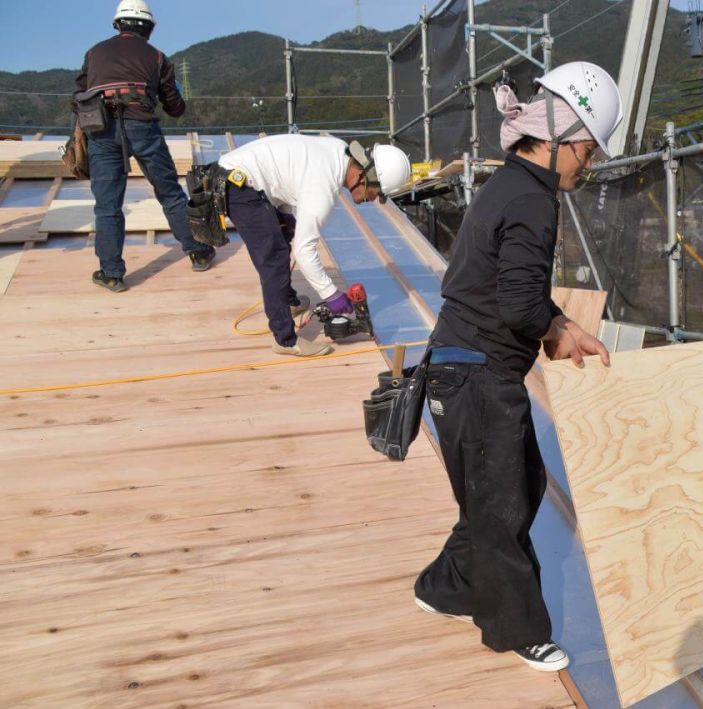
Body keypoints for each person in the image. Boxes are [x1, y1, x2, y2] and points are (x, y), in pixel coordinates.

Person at [414, 62, 623, 672]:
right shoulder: (534, 200)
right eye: (587, 153)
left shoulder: (510, 184)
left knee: (515, 486)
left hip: (464, 368)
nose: (586, 166)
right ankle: (518, 629)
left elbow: (512, 291)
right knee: (502, 508)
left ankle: (443, 588)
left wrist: (563, 327)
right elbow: (518, 303)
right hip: (476, 376)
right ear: (562, 138)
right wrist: (557, 328)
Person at [216, 135, 411, 357]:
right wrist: (331, 293)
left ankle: (288, 302)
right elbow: (304, 251)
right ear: (364, 176)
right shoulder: (324, 185)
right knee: (274, 257)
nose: (372, 199)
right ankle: (285, 340)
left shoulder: (339, 153)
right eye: (375, 193)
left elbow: (291, 176)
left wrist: (287, 219)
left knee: (284, 231)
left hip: (247, 178)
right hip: (238, 184)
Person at [76, 0, 216, 293]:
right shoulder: (157, 58)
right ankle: (197, 251)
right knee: (169, 193)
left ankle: (112, 274)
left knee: (108, 204)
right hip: (143, 127)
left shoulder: (93, 52)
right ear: (149, 28)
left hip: (100, 130)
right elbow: (175, 107)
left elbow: (79, 92)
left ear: (118, 25)